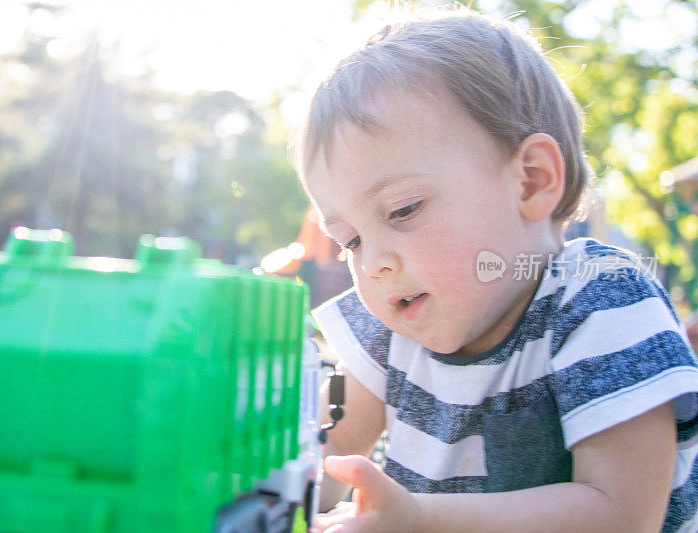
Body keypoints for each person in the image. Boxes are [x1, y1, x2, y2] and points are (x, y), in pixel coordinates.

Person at [295, 6, 698, 532]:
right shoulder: (391, 328)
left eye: (403, 209)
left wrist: (418, 521)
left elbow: (622, 514)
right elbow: (324, 452)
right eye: (350, 240)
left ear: (530, 181)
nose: (373, 263)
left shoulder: (600, 299)